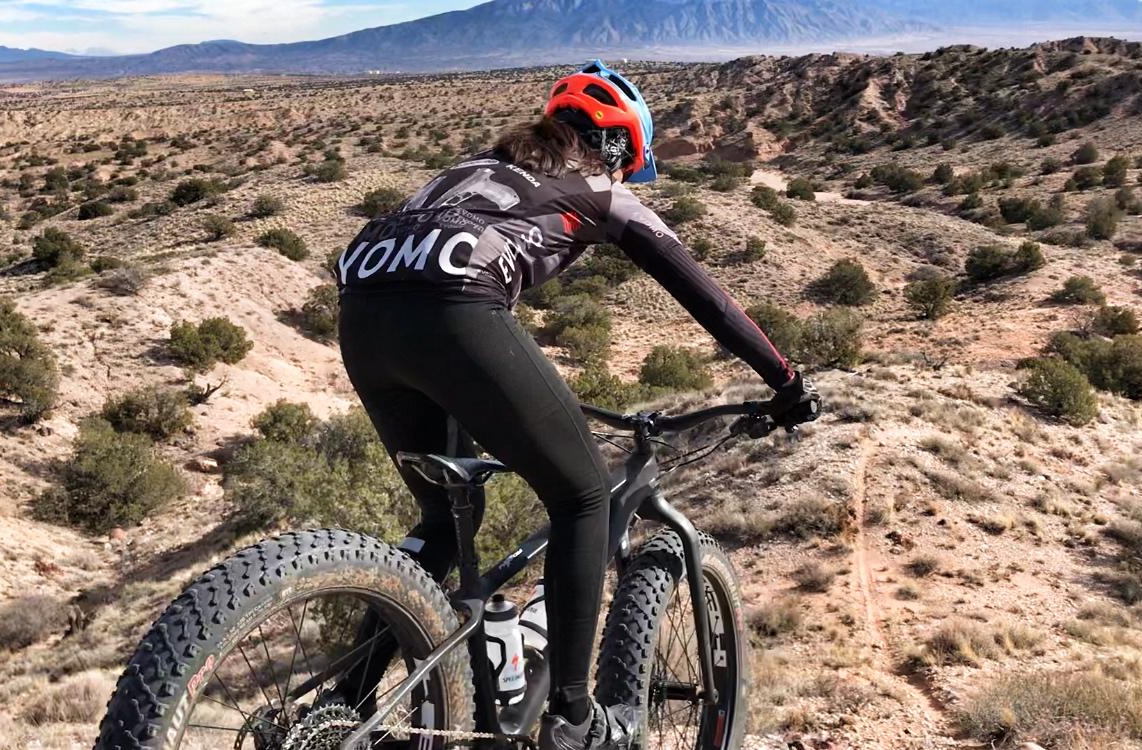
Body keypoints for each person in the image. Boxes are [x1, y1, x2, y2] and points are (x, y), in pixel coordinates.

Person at [333, 60, 819, 750]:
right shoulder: (602, 191)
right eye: (630, 165)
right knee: (584, 493)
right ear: (619, 148)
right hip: (455, 311)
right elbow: (707, 296)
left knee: (443, 519)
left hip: (361, 314)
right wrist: (785, 380)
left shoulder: (469, 170)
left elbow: (428, 254)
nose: (626, 180)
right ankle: (571, 718)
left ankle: (342, 706)